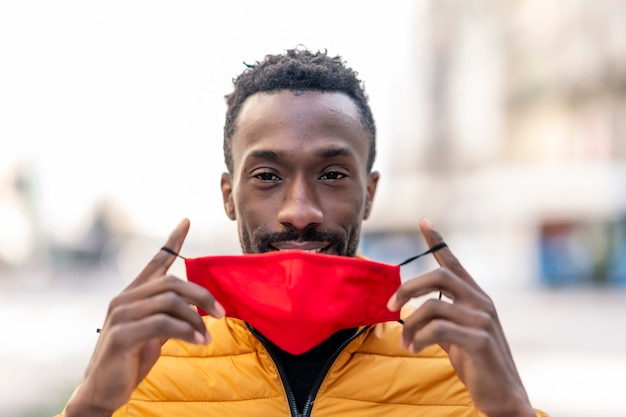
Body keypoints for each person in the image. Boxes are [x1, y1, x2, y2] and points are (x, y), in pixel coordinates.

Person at [57, 48, 547, 417]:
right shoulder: (147, 366)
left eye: (332, 174)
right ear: (229, 196)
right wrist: (92, 406)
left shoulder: (458, 365)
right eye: (267, 176)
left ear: (370, 194)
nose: (299, 211)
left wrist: (510, 409)